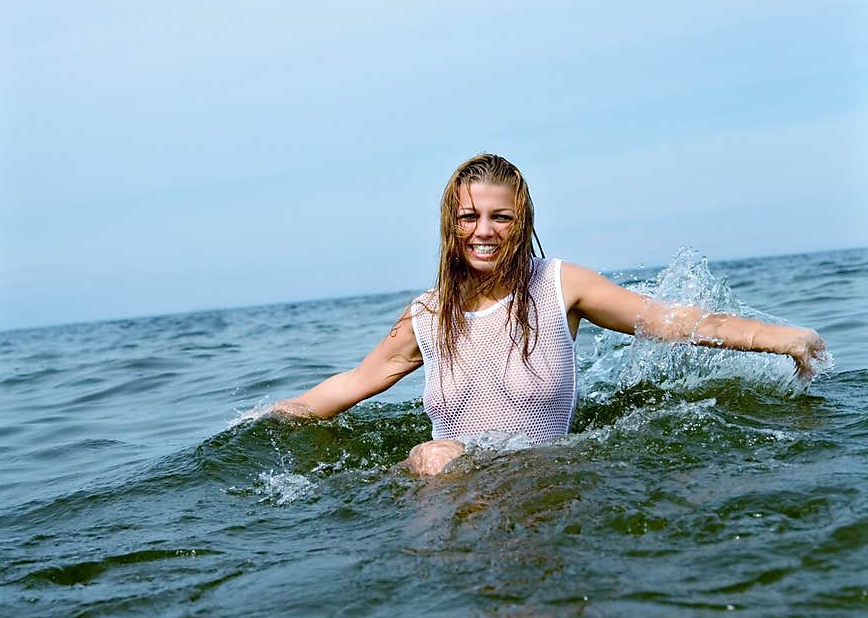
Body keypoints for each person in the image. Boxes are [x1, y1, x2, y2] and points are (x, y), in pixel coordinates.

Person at [260, 153, 828, 476]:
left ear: (522, 221)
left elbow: (669, 320)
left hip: (543, 476)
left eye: (500, 217)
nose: (483, 231)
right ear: (449, 225)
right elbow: (353, 384)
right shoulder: (429, 315)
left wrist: (778, 337)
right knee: (434, 458)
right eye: (468, 217)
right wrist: (264, 420)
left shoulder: (559, 286)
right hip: (445, 481)